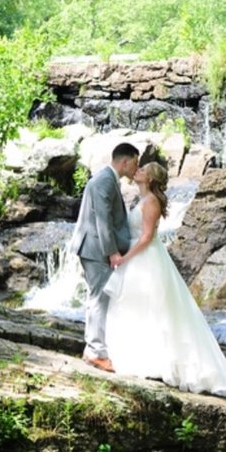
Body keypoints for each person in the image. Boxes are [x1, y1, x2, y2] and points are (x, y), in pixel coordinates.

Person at [104, 161, 226, 395]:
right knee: (136, 306)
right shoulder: (142, 199)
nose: (139, 171)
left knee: (152, 308)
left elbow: (146, 237)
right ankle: (137, 356)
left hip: (145, 258)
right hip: (139, 257)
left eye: (143, 170)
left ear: (151, 179)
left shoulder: (152, 202)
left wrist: (124, 259)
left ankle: (153, 361)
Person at [70, 142, 140, 372]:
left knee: (99, 298)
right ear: (125, 161)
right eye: (135, 163)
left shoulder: (108, 179)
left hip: (93, 247)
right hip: (96, 249)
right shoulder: (104, 181)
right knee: (99, 299)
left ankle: (94, 348)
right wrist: (112, 252)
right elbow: (102, 220)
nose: (136, 169)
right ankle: (95, 352)